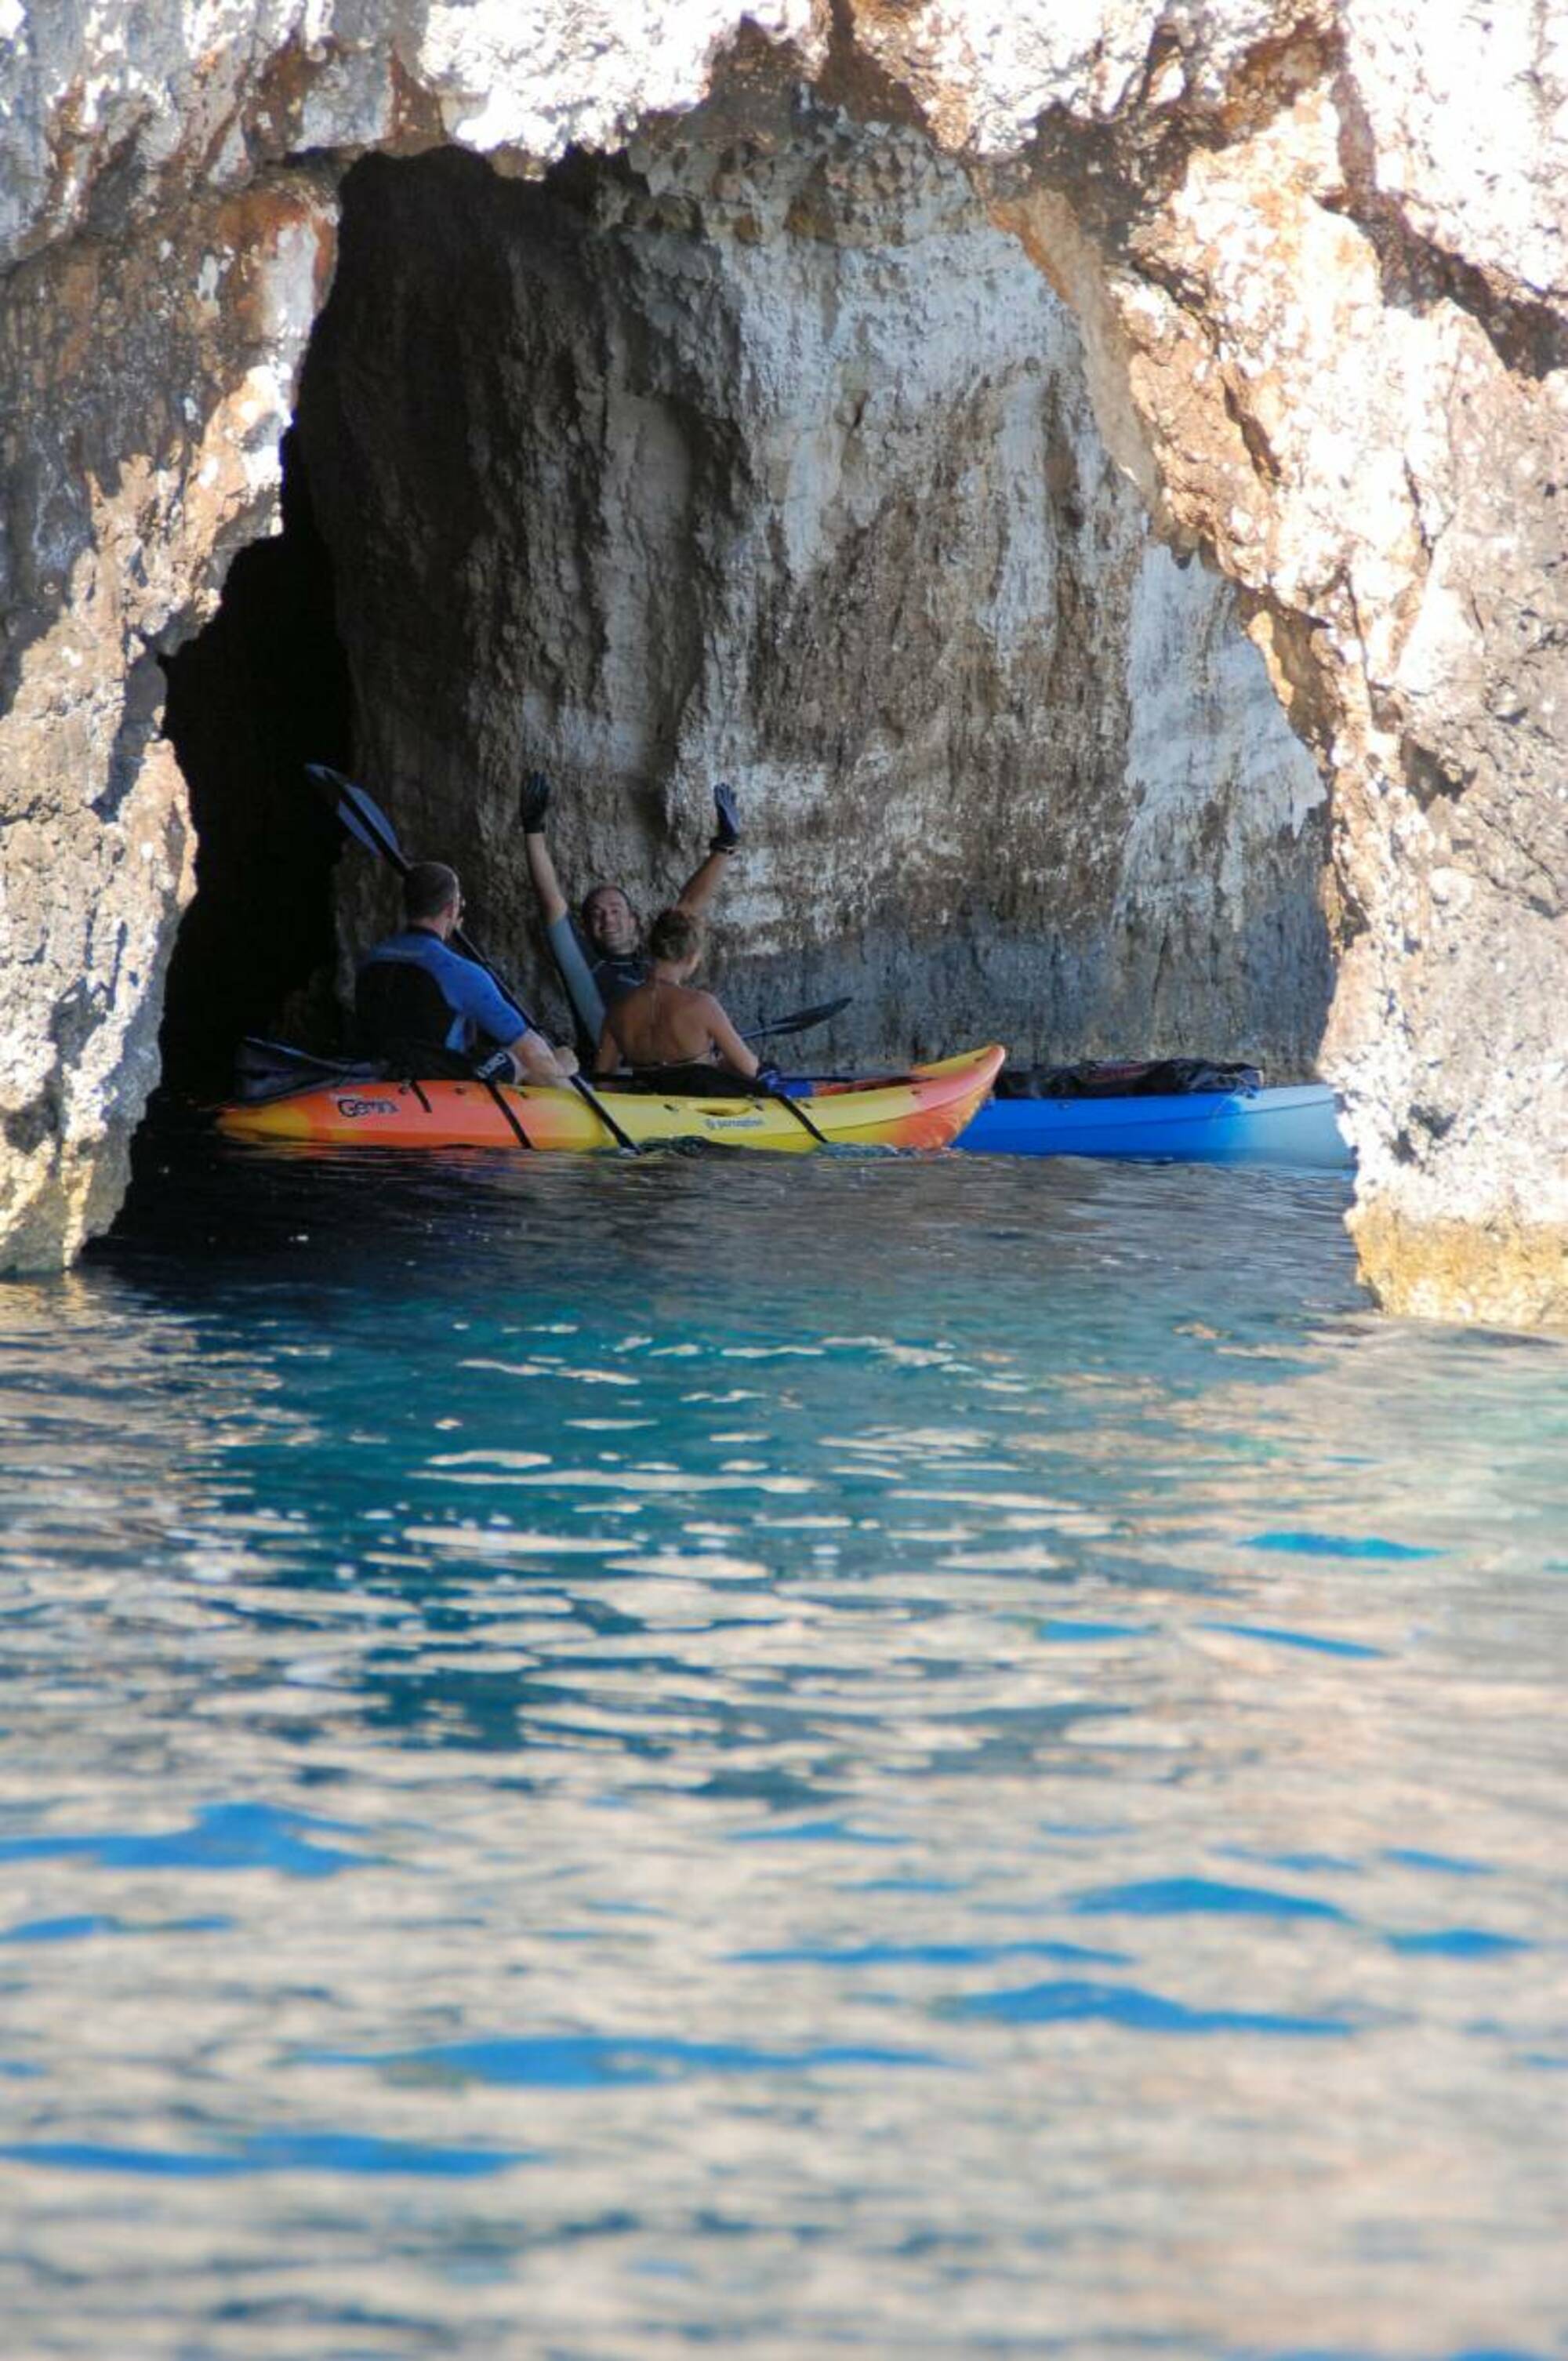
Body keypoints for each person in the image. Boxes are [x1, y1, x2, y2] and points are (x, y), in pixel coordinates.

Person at [520, 770, 741, 1058]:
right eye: (597, 915)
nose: (608, 919)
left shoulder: (654, 959)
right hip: (611, 1082)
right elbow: (551, 902)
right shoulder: (583, 965)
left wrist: (725, 845)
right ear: (585, 928)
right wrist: (533, 830)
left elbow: (688, 907)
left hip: (666, 1075)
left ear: (633, 921)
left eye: (615, 911)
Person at [356, 860, 579, 1084]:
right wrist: (561, 1065)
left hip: (378, 1078)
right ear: (452, 908)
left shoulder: (371, 959)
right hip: (439, 1088)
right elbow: (530, 1051)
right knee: (523, 1061)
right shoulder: (459, 971)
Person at [595, 907, 775, 1090]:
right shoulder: (703, 1005)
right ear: (691, 957)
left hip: (647, 1111)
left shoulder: (617, 1009)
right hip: (697, 1110)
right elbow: (751, 1069)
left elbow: (602, 1081)